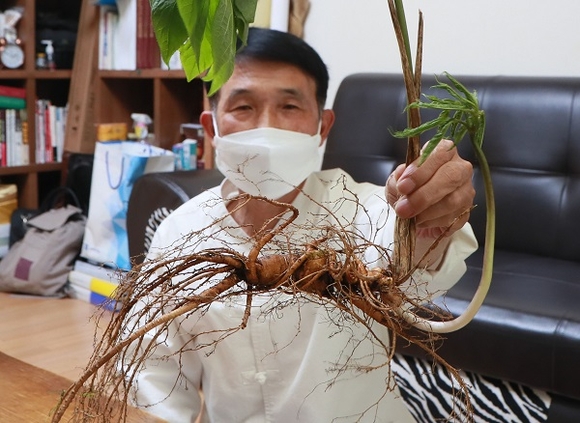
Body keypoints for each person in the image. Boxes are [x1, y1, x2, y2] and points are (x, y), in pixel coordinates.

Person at [124, 27, 478, 422]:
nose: (268, 128)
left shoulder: (365, 208)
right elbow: (152, 377)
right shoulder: (180, 231)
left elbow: (418, 272)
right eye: (243, 107)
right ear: (212, 129)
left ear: (323, 126)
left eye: (289, 106)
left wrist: (428, 222)